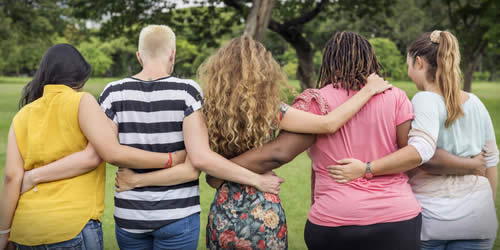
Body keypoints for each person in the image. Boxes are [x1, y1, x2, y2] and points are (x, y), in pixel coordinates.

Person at [115, 35, 391, 249]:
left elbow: (198, 158)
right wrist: (367, 90)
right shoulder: (270, 110)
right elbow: (327, 124)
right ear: (264, 71)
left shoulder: (205, 110)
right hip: (264, 210)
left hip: (223, 213)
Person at [0, 44, 196, 250]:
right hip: (71, 225)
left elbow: (12, 178)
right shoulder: (81, 102)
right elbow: (108, 153)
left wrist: (4, 233)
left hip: (26, 230)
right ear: (79, 77)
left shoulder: (22, 115)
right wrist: (171, 159)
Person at [330, 30, 498, 250]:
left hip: (435, 218)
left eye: (408, 65)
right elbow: (492, 160)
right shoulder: (476, 102)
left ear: (419, 63)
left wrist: (366, 168)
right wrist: (488, 204)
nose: (408, 72)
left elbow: (421, 153)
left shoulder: (425, 99)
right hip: (479, 218)